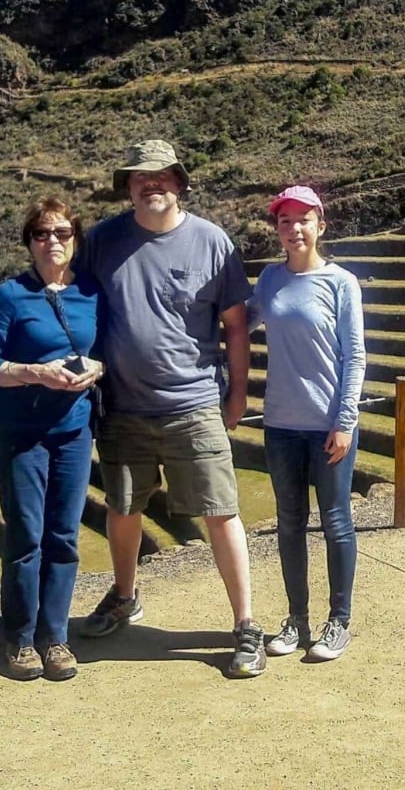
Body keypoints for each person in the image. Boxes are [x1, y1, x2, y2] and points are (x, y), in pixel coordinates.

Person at [75, 139, 265, 678]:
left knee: (221, 512)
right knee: (123, 508)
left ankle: (245, 623)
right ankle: (124, 595)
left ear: (179, 183)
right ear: (128, 186)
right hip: (123, 406)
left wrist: (236, 394)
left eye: (160, 176)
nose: (150, 184)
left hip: (193, 402)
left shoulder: (211, 242)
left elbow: (233, 326)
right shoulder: (104, 241)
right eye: (139, 177)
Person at [0, 197, 103, 682]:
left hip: (73, 430)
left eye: (61, 232)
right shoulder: (10, 297)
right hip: (20, 433)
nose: (51, 241)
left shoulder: (92, 293)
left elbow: (107, 349)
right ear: (28, 242)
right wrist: (35, 373)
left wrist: (97, 368)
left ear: (75, 238)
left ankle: (55, 637)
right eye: (41, 233)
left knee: (64, 535)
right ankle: (19, 638)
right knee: (25, 536)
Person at [249, 187, 366, 662]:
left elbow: (354, 356)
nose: (293, 229)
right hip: (280, 423)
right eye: (284, 222)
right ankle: (296, 621)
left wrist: (344, 421)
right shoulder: (270, 280)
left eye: (303, 220)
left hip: (328, 425)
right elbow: (243, 323)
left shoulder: (341, 283)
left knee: (336, 521)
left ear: (320, 225)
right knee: (289, 523)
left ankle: (338, 622)